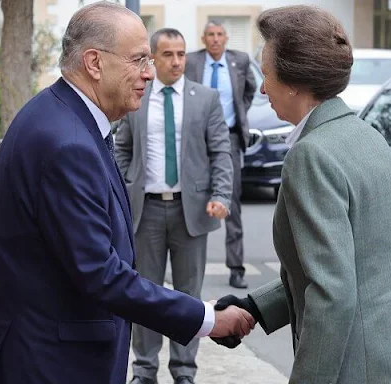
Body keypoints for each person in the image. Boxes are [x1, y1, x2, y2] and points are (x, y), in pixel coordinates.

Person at [0, 3, 255, 383]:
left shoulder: (53, 114)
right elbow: (101, 273)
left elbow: (3, 241)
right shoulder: (67, 143)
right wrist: (207, 318)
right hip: (53, 364)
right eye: (139, 59)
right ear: (94, 63)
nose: (148, 73)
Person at [212, 5, 391, 384]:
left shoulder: (311, 154)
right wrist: (257, 306)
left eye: (266, 74)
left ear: (294, 81)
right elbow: (357, 266)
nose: (264, 88)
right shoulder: (365, 136)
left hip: (358, 366)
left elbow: (332, 295)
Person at [114, 28, 233, 384]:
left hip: (191, 212)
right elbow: (122, 149)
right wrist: (119, 190)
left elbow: (221, 153)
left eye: (181, 54)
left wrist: (221, 195)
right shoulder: (139, 97)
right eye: (168, 55)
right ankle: (144, 370)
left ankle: (183, 371)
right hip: (145, 211)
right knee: (143, 293)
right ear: (153, 57)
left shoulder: (205, 98)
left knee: (188, 294)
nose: (177, 61)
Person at [185, 20, 256, 289]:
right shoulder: (192, 61)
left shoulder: (240, 61)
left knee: (231, 202)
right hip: (195, 137)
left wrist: (239, 113)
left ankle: (236, 268)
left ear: (226, 38)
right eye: (210, 35)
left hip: (228, 136)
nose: (215, 39)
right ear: (203, 38)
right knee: (190, 195)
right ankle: (188, 267)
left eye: (219, 35)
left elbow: (249, 91)